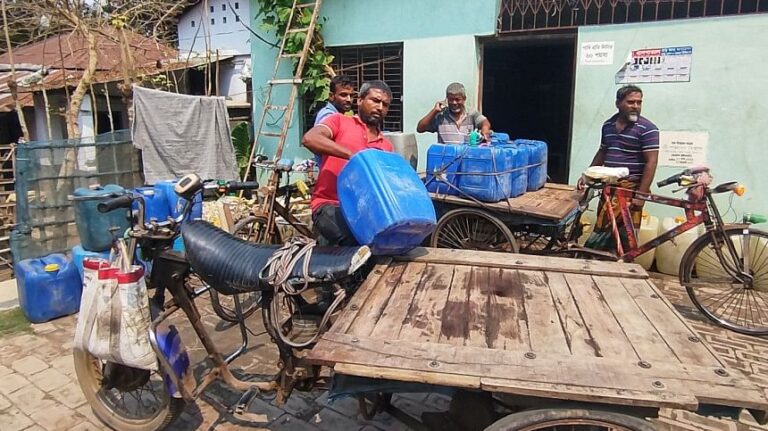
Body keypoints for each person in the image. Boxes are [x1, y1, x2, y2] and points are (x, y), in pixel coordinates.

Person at [302, 80, 394, 246]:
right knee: (359, 245)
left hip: (363, 213)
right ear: (359, 100)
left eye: (385, 104)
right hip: (330, 205)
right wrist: (354, 156)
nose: (380, 108)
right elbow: (310, 138)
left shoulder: (386, 147)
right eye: (375, 101)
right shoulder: (339, 121)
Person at [581, 84, 659, 251]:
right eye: (631, 102)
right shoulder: (608, 126)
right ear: (618, 103)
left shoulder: (648, 129)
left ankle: (620, 264)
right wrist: (587, 175)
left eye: (639, 102)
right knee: (604, 227)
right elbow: (602, 151)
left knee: (625, 233)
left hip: (631, 188)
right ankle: (600, 260)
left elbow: (651, 162)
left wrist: (641, 194)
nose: (636, 106)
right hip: (609, 187)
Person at [416, 82, 492, 144]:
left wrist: (485, 129)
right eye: (451, 99)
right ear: (446, 99)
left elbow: (484, 122)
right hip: (446, 160)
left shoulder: (471, 113)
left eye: (457, 99)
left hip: (466, 159)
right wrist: (434, 111)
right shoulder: (441, 116)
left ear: (464, 99)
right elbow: (420, 128)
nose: (454, 103)